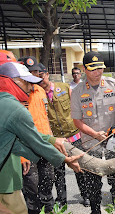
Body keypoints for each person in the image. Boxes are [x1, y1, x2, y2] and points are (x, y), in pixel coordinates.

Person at [0, 62, 82, 214]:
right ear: (12, 81)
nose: (30, 87)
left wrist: (52, 140)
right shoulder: (14, 108)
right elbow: (33, 141)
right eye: (26, 82)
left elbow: (16, 142)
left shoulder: (5, 101)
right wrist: (64, 159)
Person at [71, 51, 115, 214]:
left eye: (100, 69)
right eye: (92, 69)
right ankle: (95, 210)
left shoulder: (114, 85)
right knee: (92, 181)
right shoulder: (77, 91)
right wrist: (95, 134)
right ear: (84, 69)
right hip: (91, 143)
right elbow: (77, 121)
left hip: (114, 142)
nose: (97, 73)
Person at [37, 64, 89, 207]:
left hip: (74, 136)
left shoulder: (64, 88)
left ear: (47, 74)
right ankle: (61, 199)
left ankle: (86, 196)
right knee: (58, 171)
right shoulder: (38, 94)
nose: (39, 79)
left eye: (41, 75)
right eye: (36, 77)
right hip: (56, 140)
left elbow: (78, 107)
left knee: (79, 167)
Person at [19, 56, 56, 214]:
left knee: (47, 186)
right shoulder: (18, 94)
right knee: (31, 190)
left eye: (35, 72)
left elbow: (45, 119)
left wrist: (52, 141)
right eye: (30, 72)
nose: (34, 75)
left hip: (45, 147)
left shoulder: (40, 90)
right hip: (28, 150)